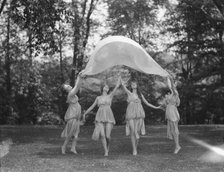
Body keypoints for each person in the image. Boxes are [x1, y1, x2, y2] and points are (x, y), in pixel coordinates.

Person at [83, 77, 121, 156]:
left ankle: (108, 146)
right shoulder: (98, 98)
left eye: (107, 87)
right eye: (105, 86)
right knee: (102, 135)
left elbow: (117, 86)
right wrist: (85, 113)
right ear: (102, 88)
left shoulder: (110, 96)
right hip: (100, 116)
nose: (106, 88)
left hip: (109, 116)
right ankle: (106, 151)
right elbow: (92, 106)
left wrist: (119, 78)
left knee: (107, 136)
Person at [120, 78, 145, 156]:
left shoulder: (140, 95)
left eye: (135, 83)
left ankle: (135, 148)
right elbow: (124, 87)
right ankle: (134, 149)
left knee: (137, 132)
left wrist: (157, 107)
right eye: (132, 84)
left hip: (139, 113)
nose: (133, 84)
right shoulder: (129, 93)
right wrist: (121, 80)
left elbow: (147, 103)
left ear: (137, 85)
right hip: (131, 113)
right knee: (132, 131)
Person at [61, 74, 83, 154]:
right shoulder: (70, 94)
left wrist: (80, 78)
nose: (69, 87)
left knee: (76, 135)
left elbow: (77, 87)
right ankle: (63, 146)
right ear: (66, 90)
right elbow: (77, 87)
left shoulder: (72, 93)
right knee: (70, 134)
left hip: (76, 116)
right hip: (72, 116)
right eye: (67, 87)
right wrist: (79, 77)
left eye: (69, 86)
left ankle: (73, 148)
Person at [163, 77, 181, 154]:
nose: (173, 85)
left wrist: (171, 79)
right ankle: (177, 145)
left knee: (174, 129)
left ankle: (177, 146)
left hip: (173, 112)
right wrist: (167, 78)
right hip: (169, 112)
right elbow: (170, 86)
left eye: (175, 84)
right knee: (172, 130)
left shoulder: (176, 93)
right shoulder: (170, 94)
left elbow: (172, 87)